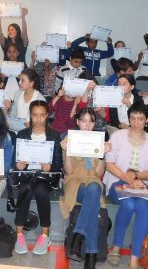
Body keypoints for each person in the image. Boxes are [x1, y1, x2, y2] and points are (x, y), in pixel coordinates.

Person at [105, 101, 148, 269]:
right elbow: (109, 164)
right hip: (116, 180)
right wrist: (127, 178)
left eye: (140, 119)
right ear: (128, 119)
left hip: (141, 183)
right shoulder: (117, 136)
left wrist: (136, 176)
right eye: (133, 118)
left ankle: (135, 255)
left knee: (143, 205)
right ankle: (116, 246)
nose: (136, 123)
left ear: (147, 120)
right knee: (128, 204)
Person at [59, 107, 111, 269]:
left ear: (95, 123)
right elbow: (68, 171)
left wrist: (103, 154)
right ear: (77, 122)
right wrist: (66, 151)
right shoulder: (70, 138)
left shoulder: (99, 140)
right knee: (94, 197)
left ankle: (78, 236)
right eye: (84, 120)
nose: (87, 125)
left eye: (91, 121)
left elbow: (98, 173)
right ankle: (91, 259)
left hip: (92, 180)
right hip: (75, 182)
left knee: (95, 189)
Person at [13, 100, 62, 255]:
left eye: (42, 115)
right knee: (25, 190)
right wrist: (19, 165)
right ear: (30, 116)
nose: (39, 119)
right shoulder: (22, 134)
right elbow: (15, 161)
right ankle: (19, 235)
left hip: (44, 177)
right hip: (27, 175)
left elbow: (58, 164)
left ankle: (44, 235)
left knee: (41, 192)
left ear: (47, 116)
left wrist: (50, 168)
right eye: (35, 115)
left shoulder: (54, 136)